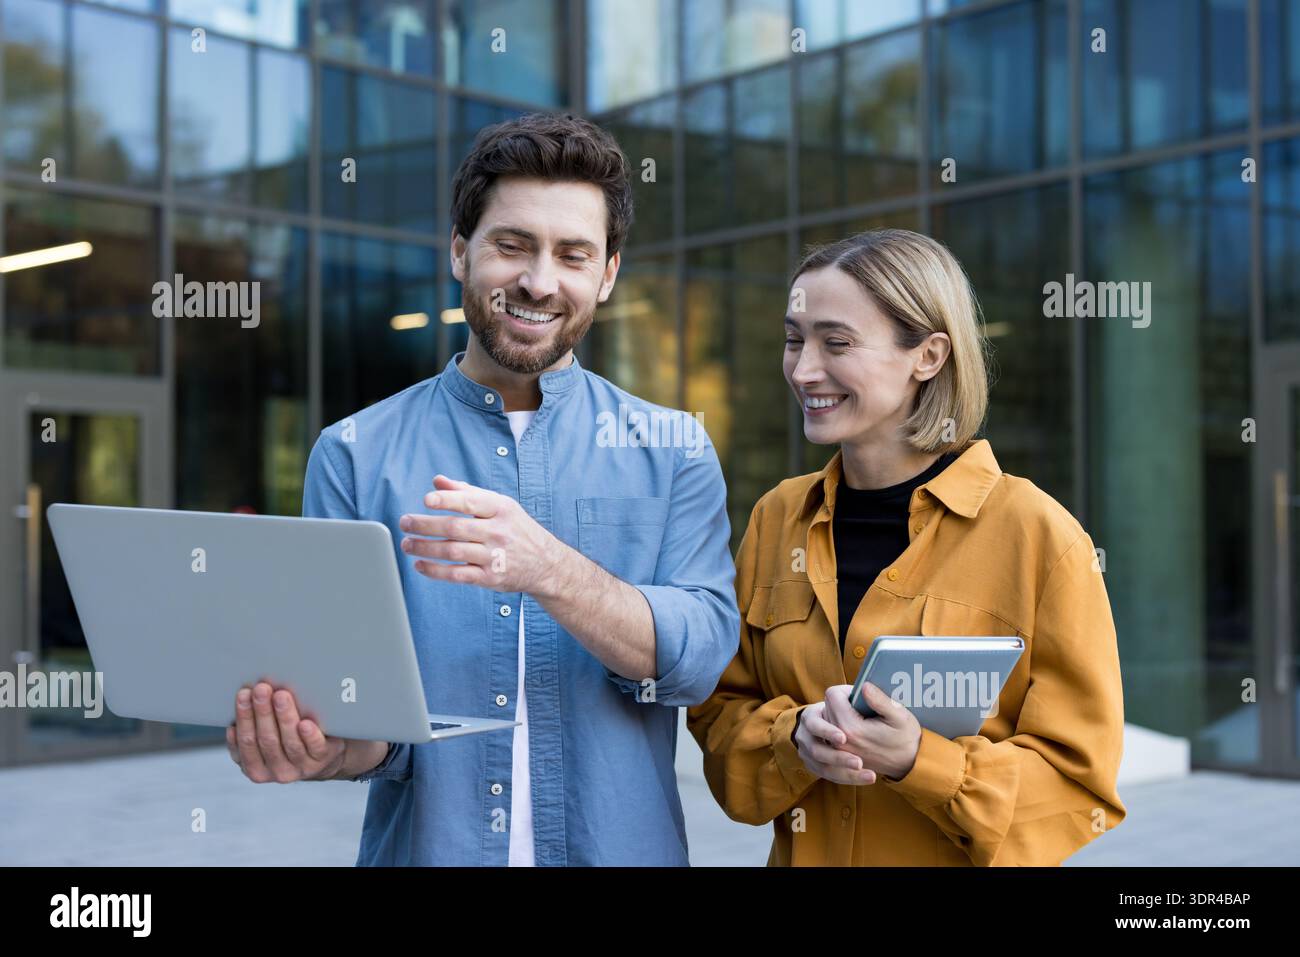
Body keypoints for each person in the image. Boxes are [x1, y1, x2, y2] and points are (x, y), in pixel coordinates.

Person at [225, 112, 740, 866]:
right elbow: (369, 728)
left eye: (573, 254)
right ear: (461, 252)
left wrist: (547, 568)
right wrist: (319, 748)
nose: (539, 280)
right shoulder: (353, 455)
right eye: (512, 245)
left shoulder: (675, 450)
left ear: (608, 273)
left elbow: (696, 662)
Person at [687, 228, 1126, 866]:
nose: (804, 369)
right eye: (794, 339)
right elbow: (720, 716)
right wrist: (792, 739)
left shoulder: (1039, 536)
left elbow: (1080, 791)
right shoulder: (778, 517)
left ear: (928, 355)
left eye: (836, 343)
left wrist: (924, 762)